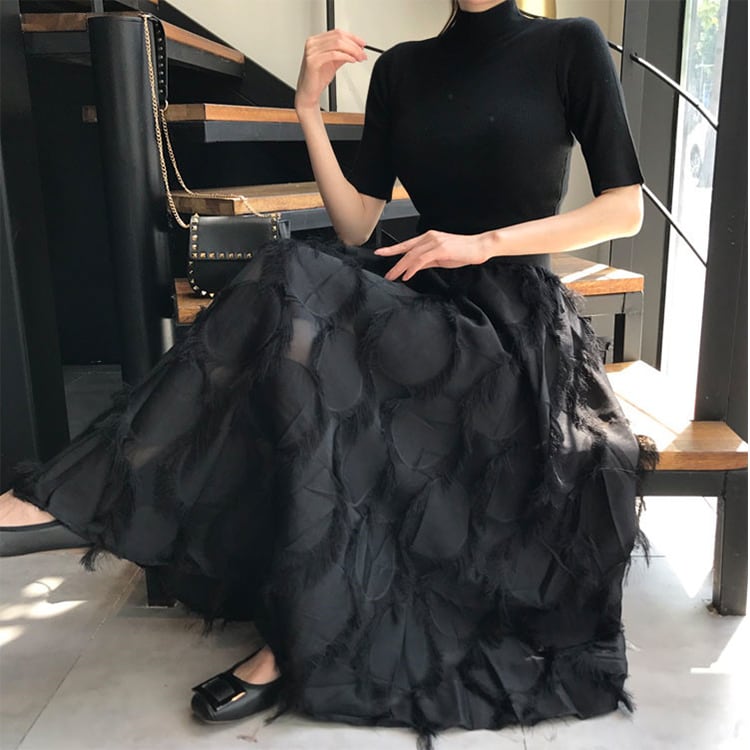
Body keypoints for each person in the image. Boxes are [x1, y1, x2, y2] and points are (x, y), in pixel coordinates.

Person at [0, 0, 657, 747]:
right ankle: (282, 607)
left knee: (323, 345)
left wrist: (482, 243)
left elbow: (624, 210)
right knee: (292, 291)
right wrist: (308, 109)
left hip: (512, 324)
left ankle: (94, 501)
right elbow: (356, 224)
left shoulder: (570, 44)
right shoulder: (403, 68)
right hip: (421, 296)